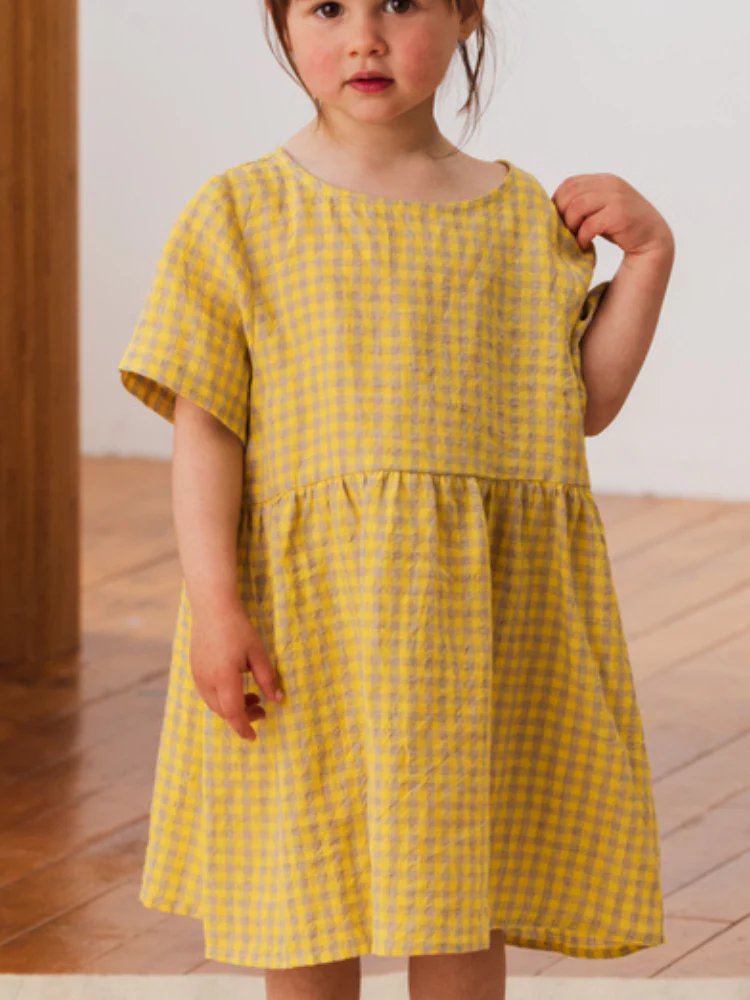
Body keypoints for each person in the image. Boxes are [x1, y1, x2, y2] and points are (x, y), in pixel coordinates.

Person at [118, 0, 675, 994]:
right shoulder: (239, 214)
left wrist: (649, 260)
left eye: (402, 2)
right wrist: (215, 607)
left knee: (461, 893)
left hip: (469, 632)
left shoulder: (523, 216)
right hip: (308, 624)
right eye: (329, 8)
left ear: (466, 16)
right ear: (284, 22)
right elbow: (207, 428)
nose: (365, 36)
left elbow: (583, 402)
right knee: (303, 893)